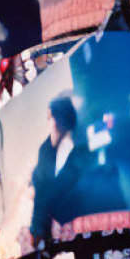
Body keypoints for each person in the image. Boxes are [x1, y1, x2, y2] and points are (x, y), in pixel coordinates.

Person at [29, 94, 90, 244]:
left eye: (52, 118)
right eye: (49, 118)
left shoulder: (78, 149)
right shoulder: (45, 149)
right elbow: (41, 192)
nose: (50, 123)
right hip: (51, 222)